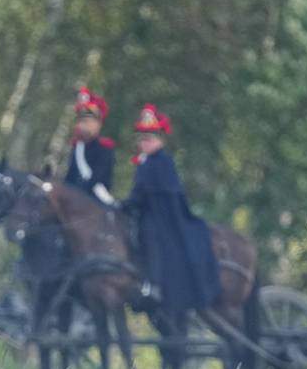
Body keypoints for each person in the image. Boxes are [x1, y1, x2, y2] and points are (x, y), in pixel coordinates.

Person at [120, 105, 223, 318]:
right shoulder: (145, 163)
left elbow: (151, 194)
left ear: (160, 139)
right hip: (145, 213)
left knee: (150, 235)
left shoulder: (162, 162)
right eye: (142, 137)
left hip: (162, 218)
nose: (145, 141)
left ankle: (154, 284)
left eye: (150, 137)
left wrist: (130, 203)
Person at [64, 87, 116, 205]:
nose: (83, 126)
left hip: (95, 201)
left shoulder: (105, 148)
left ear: (98, 124)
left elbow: (98, 179)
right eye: (81, 121)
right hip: (73, 200)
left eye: (87, 122)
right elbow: (70, 177)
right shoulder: (77, 147)